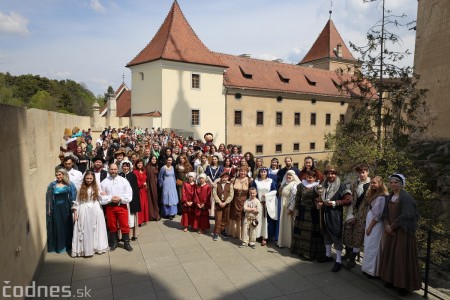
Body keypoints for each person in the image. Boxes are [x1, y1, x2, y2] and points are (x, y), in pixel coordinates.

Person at [379, 174, 420, 296]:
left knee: (401, 257)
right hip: (391, 231)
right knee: (391, 255)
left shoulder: (406, 197)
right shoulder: (389, 196)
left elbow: (407, 216)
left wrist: (392, 226)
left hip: (402, 232)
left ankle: (403, 285)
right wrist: (387, 225)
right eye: (391, 182)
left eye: (396, 182)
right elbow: (385, 213)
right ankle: (390, 280)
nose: (393, 184)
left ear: (401, 184)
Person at [316, 165, 352, 272]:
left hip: (335, 214)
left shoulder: (342, 186)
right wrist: (318, 203)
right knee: (326, 235)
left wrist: (336, 202)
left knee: (336, 237)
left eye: (333, 173)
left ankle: (338, 261)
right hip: (324, 213)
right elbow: (317, 197)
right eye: (328, 173)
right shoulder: (323, 184)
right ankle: (328, 256)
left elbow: (348, 200)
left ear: (336, 174)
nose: (330, 175)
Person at [71, 171, 109, 257]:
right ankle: (85, 249)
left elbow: (101, 197)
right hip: (84, 209)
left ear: (93, 179)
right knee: (85, 229)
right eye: (87, 178)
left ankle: (95, 247)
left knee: (95, 229)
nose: (89, 180)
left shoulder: (97, 187)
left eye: (91, 178)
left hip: (95, 208)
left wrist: (103, 194)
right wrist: (75, 211)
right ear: (84, 178)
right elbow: (77, 201)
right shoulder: (80, 188)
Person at [289, 170, 324, 260]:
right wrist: (296, 209)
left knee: (311, 232)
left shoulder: (318, 186)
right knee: (300, 231)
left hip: (313, 211)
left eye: (311, 177)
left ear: (315, 178)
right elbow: (297, 198)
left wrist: (320, 197)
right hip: (302, 210)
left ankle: (310, 253)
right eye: (308, 177)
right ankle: (300, 251)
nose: (309, 179)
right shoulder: (301, 186)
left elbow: (321, 199)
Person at [100, 163, 133, 252]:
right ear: (108, 170)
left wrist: (120, 198)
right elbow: (101, 196)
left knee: (124, 225)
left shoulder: (124, 181)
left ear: (118, 170)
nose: (113, 171)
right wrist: (110, 198)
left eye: (115, 169)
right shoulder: (104, 182)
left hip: (121, 206)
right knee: (112, 225)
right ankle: (114, 243)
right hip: (110, 207)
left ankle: (126, 243)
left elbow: (129, 194)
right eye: (111, 169)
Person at [343, 164, 371, 269]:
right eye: (359, 173)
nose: (361, 175)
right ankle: (347, 254)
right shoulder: (354, 183)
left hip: (364, 214)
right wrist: (350, 212)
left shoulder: (371, 185)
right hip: (352, 211)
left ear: (367, 172)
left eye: (363, 172)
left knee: (358, 236)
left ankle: (352, 258)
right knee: (348, 233)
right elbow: (349, 196)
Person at [361, 176, 388, 279]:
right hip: (370, 222)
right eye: (371, 183)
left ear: (380, 184)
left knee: (373, 246)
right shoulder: (375, 194)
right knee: (368, 246)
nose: (372, 185)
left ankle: (373, 272)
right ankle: (367, 269)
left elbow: (378, 215)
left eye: (375, 183)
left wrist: (369, 228)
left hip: (375, 225)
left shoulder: (382, 197)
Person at [46, 167, 77, 253]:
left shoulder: (70, 184)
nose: (58, 176)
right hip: (56, 208)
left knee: (67, 225)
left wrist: (73, 208)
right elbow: (48, 198)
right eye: (56, 175)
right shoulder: (52, 185)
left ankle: (68, 245)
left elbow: (73, 196)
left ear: (63, 175)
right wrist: (49, 209)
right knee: (58, 225)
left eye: (60, 175)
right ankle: (59, 246)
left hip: (66, 208)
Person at [252, 167, 277, 246]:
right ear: (259, 173)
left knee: (266, 221)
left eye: (264, 172)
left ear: (267, 173)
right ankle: (257, 235)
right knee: (258, 220)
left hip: (267, 204)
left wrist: (267, 195)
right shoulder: (256, 181)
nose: (263, 173)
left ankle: (265, 237)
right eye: (261, 172)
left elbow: (274, 191)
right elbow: (253, 191)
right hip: (258, 203)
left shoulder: (271, 181)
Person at [277, 170, 300, 248]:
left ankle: (290, 243)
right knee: (284, 224)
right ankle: (283, 242)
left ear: (293, 176)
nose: (288, 177)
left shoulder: (294, 185)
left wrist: (290, 208)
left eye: (290, 175)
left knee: (289, 225)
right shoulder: (284, 183)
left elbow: (294, 197)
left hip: (289, 206)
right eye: (287, 175)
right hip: (283, 205)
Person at [228, 166, 252, 239]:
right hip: (235, 201)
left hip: (244, 201)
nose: (242, 173)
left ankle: (242, 234)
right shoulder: (235, 180)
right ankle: (234, 232)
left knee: (242, 216)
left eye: (244, 171)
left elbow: (251, 192)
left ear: (247, 172)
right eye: (241, 171)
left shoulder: (249, 180)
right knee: (234, 215)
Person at [119, 161, 141, 240]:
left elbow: (135, 189)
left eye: (127, 166)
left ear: (129, 167)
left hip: (130, 200)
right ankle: (121, 236)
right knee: (122, 219)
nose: (125, 168)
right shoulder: (119, 175)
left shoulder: (132, 175)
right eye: (124, 166)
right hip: (122, 200)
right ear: (122, 167)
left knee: (131, 218)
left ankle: (132, 235)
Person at [212, 172, 234, 241]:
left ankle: (222, 230)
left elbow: (231, 195)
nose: (224, 179)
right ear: (221, 177)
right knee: (218, 219)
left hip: (226, 205)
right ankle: (216, 232)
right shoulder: (217, 184)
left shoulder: (230, 184)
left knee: (225, 218)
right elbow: (214, 194)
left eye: (226, 177)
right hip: (219, 204)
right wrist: (219, 202)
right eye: (223, 177)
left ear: (228, 178)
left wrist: (225, 202)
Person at [133, 159, 150, 226]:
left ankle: (143, 219)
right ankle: (139, 221)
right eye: (139, 163)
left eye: (141, 163)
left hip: (144, 190)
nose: (140, 164)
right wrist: (143, 184)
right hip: (139, 190)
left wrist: (145, 185)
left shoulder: (144, 171)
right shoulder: (135, 172)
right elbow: (136, 182)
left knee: (144, 205)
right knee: (140, 205)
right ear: (136, 164)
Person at [145, 155, 160, 221]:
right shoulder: (148, 167)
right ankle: (152, 215)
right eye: (152, 159)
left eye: (155, 159)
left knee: (155, 199)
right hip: (150, 185)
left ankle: (156, 214)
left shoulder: (156, 166)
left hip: (156, 185)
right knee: (150, 200)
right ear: (150, 159)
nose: (154, 160)